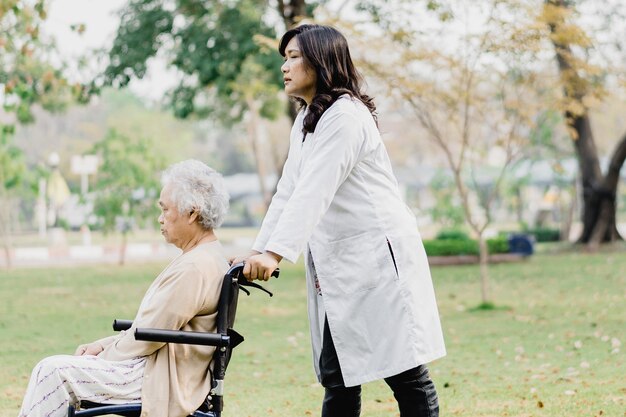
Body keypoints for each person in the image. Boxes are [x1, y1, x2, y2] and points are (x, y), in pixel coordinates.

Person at [234, 24, 446, 417]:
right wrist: (258, 250)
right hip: (341, 268)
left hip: (379, 261)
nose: (285, 66)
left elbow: (315, 190)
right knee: (338, 375)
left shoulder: (345, 116)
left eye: (294, 56)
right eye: (285, 58)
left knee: (406, 373)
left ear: (322, 60)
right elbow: (288, 191)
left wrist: (276, 254)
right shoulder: (307, 121)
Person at [17, 159, 230, 417]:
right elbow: (152, 329)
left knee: (52, 371)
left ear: (192, 213)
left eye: (165, 210)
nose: (160, 219)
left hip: (156, 377)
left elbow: (150, 336)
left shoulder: (195, 267)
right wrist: (103, 344)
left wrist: (102, 354)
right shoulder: (205, 256)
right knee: (57, 369)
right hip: (155, 366)